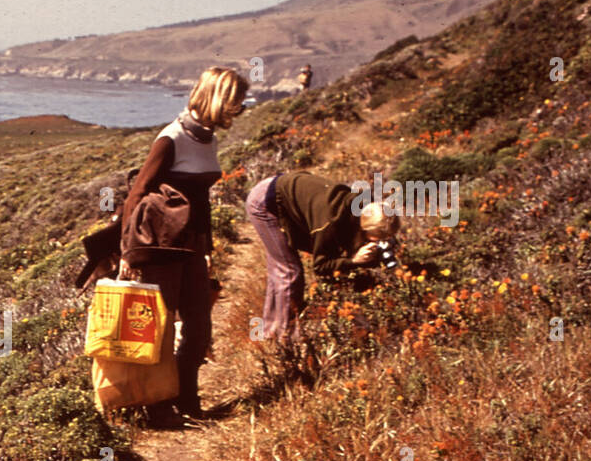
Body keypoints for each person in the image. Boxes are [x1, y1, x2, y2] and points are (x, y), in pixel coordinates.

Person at [117, 65, 249, 425]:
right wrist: (128, 253)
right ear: (216, 97)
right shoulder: (171, 138)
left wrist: (206, 246)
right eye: (235, 100)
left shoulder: (209, 138)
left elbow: (201, 200)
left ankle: (187, 400)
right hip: (160, 245)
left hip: (191, 246)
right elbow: (138, 193)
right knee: (158, 328)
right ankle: (157, 409)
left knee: (198, 325)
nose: (239, 107)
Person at [245, 171, 399, 341]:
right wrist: (354, 261)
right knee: (289, 272)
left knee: (279, 270)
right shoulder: (329, 222)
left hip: (278, 189)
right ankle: (285, 340)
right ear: (364, 229)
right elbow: (321, 267)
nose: (379, 243)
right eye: (376, 239)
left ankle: (268, 333)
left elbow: (357, 235)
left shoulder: (367, 209)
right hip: (265, 203)